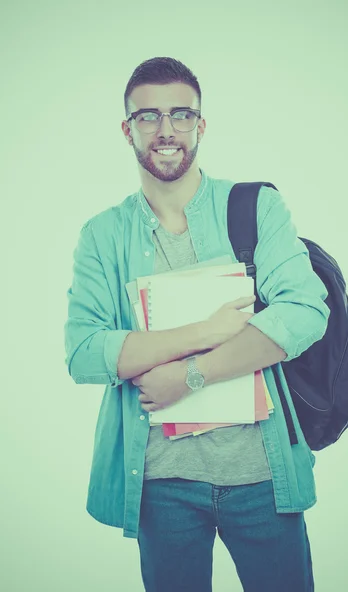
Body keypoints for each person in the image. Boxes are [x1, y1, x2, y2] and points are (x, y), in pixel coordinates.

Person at [64, 56, 330, 592]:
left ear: (200, 125)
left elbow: (305, 311)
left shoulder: (256, 207)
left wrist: (189, 376)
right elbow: (84, 352)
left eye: (181, 114)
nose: (166, 130)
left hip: (261, 476)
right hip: (161, 484)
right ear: (127, 129)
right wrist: (204, 333)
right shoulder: (102, 234)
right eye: (148, 117)